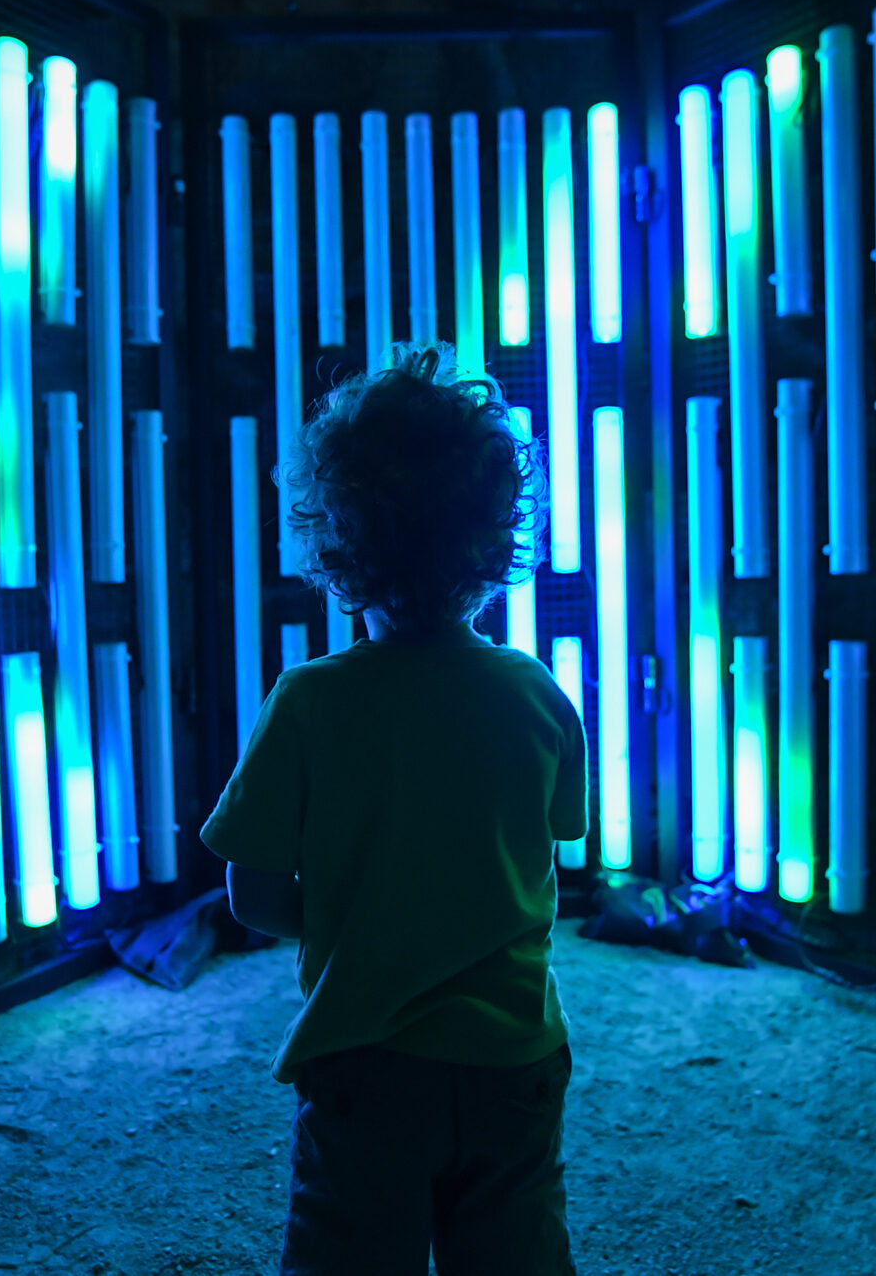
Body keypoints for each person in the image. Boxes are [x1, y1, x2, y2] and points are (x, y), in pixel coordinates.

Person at [200, 342, 586, 1276]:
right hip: (514, 1062)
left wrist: (344, 915)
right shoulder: (536, 693)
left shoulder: (307, 702)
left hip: (366, 1065)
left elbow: (250, 893)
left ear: (334, 541)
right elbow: (552, 853)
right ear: (497, 536)